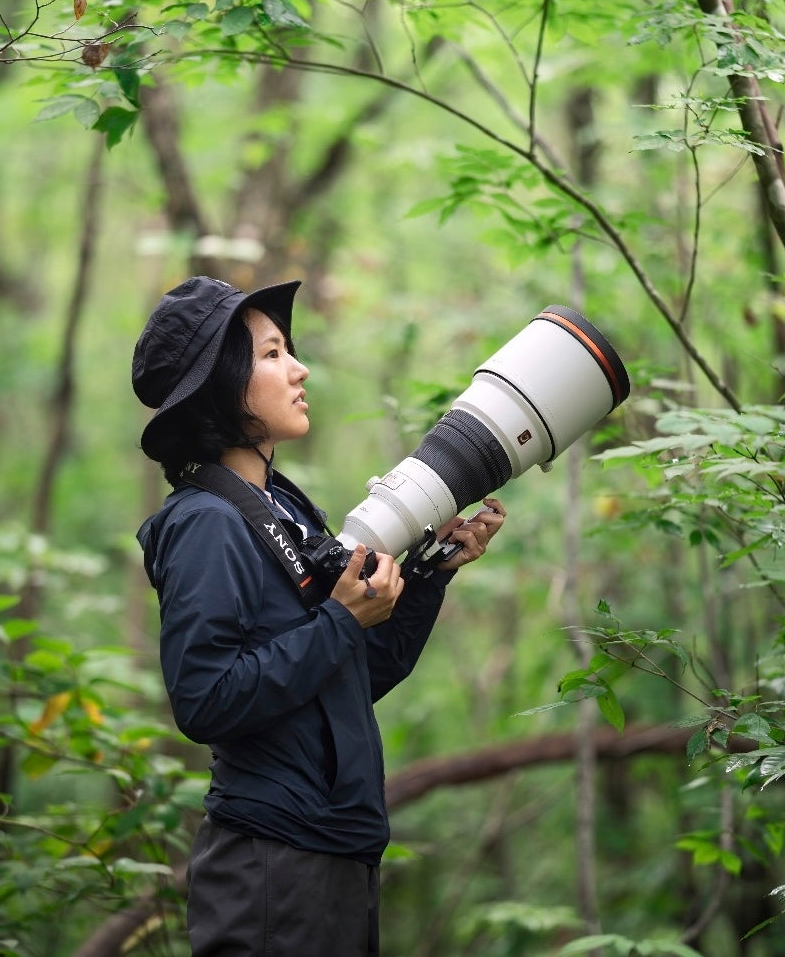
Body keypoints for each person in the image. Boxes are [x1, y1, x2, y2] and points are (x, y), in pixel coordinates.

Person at [132, 276, 505, 957]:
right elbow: (204, 700)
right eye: (272, 355)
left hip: (333, 851)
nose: (299, 368)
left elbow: (354, 674)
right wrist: (337, 621)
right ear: (219, 384)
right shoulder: (206, 523)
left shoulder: (282, 510)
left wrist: (425, 577)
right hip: (272, 866)